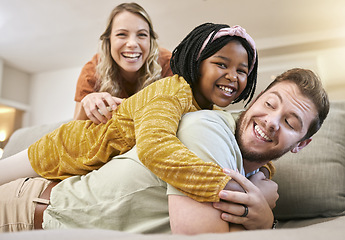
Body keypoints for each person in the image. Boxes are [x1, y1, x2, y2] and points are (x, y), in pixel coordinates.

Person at [0, 68, 330, 233]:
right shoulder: (207, 126)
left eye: (290, 122)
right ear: (253, 101)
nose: (271, 121)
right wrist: (260, 217)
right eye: (269, 104)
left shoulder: (255, 173)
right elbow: (197, 233)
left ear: (301, 144)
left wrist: (262, 204)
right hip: (27, 209)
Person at [0, 22, 259, 203]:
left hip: (89, 169)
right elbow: (154, 149)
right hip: (64, 149)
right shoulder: (171, 92)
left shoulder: (208, 111)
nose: (232, 76)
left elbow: (243, 147)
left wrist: (261, 175)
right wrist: (228, 187)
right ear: (196, 63)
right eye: (221, 64)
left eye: (242, 70)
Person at [73, 2, 173, 124]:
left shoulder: (168, 62)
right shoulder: (92, 70)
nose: (132, 43)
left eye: (142, 35)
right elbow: (73, 130)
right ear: (108, 41)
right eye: (121, 34)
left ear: (150, 41)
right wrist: (87, 102)